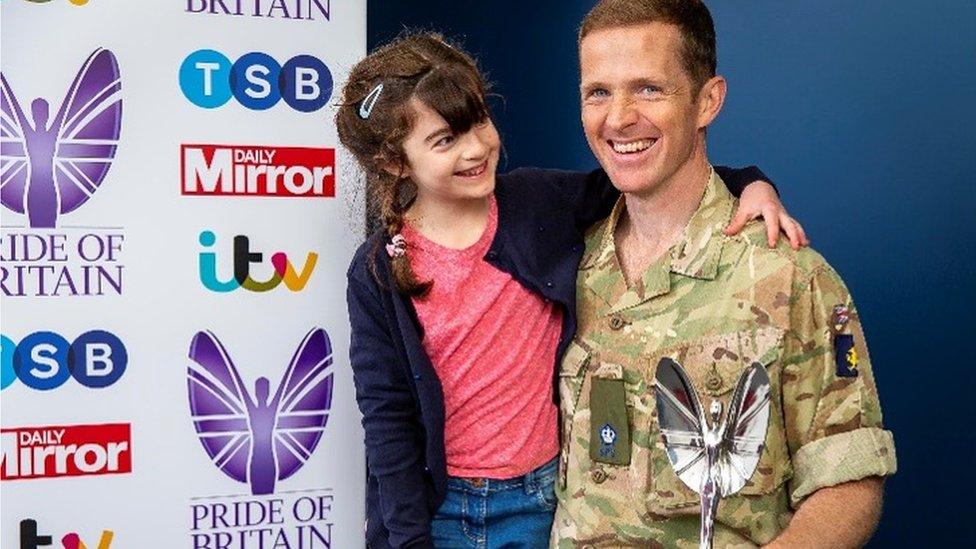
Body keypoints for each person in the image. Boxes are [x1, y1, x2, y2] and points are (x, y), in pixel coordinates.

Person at [338, 32, 801, 549]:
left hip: (542, 503)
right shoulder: (378, 270)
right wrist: (408, 540)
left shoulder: (537, 200)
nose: (475, 148)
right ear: (394, 163)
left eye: (479, 123)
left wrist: (752, 183)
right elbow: (388, 420)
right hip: (440, 513)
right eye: (446, 139)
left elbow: (652, 180)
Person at [551, 1, 897, 547]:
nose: (617, 118)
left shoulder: (789, 276)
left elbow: (848, 482)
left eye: (648, 89)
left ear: (707, 101)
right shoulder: (556, 265)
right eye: (598, 92)